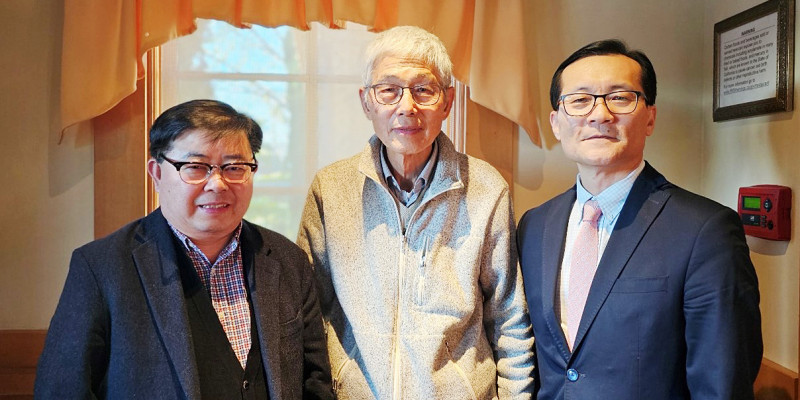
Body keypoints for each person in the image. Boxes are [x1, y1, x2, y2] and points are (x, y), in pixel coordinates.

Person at [35, 99, 333, 399]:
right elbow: (61, 391)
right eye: (195, 167)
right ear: (156, 173)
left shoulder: (287, 260)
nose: (217, 184)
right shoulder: (101, 267)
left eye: (234, 167)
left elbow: (315, 383)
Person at [297, 26, 534, 399]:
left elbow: (510, 319)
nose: (407, 106)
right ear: (367, 102)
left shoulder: (486, 188)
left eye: (424, 89)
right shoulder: (331, 188)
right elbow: (310, 315)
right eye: (388, 90)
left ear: (447, 102)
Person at [517, 39, 763, 399]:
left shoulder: (706, 231)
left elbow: (722, 384)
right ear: (556, 123)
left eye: (619, 97)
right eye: (580, 100)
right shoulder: (534, 226)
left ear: (650, 117)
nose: (599, 115)